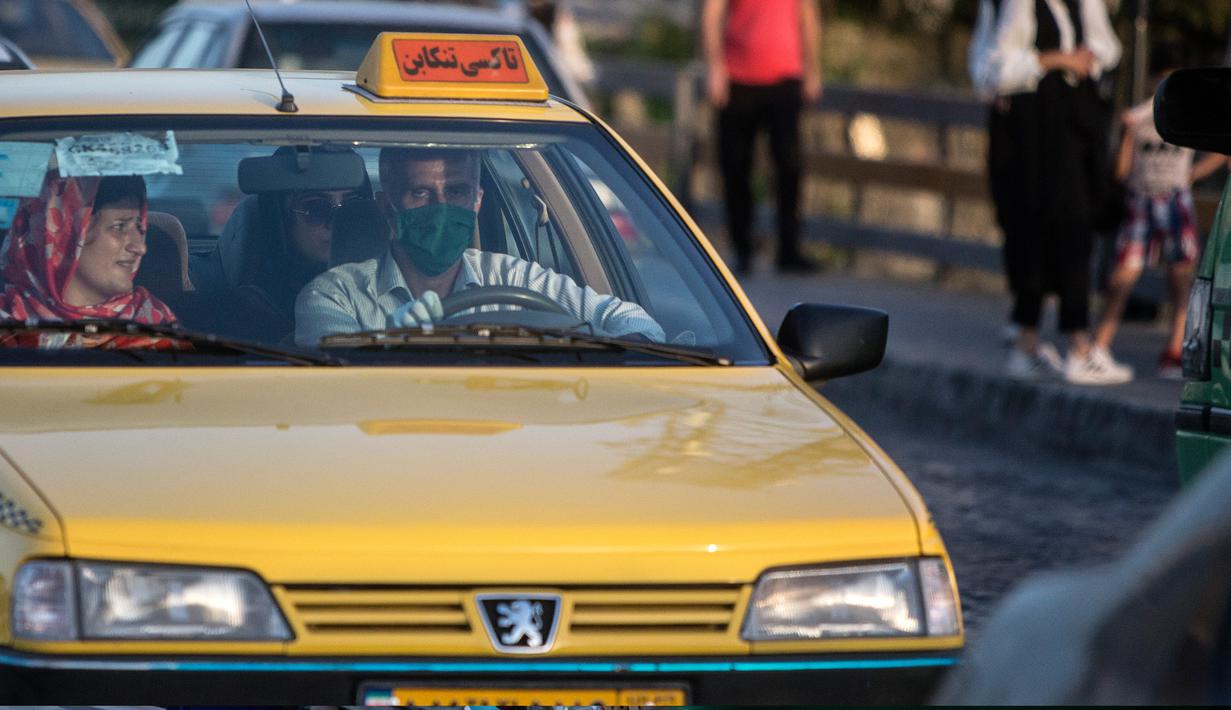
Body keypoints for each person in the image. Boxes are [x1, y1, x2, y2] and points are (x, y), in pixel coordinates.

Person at [293, 147, 665, 347]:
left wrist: (603, 349)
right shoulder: (335, 296)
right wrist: (387, 349)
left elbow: (635, 322)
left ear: (477, 201)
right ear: (387, 207)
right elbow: (337, 392)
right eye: (420, 192)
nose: (440, 207)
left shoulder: (516, 279)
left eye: (455, 191)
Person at [981, 0, 1124, 384]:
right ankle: (1073, 344)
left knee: (1073, 229)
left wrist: (1084, 60)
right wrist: (1056, 61)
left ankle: (1040, 342)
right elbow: (994, 68)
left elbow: (1107, 47)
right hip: (1033, 132)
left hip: (1075, 128)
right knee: (1040, 232)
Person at [1092, 46, 1230, 380]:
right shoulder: (1140, 120)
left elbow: (1220, 152)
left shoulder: (1185, 113)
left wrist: (1192, 174)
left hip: (1175, 198)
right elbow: (1121, 172)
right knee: (1122, 276)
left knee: (1181, 277)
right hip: (1141, 198)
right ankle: (1098, 345)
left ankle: (1174, 349)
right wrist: (1126, 133)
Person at [191, 146, 372, 338]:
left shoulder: (391, 286)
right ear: (279, 220)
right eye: (315, 208)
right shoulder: (232, 314)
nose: (336, 221)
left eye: (352, 207)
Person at [701, 0, 822, 275]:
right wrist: (715, 67)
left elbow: (808, 14)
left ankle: (788, 250)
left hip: (785, 77)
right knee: (735, 166)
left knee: (790, 166)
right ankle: (742, 248)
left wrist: (813, 69)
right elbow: (712, 13)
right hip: (738, 78)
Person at [0, 173, 178, 348]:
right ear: (62, 238)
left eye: (140, 228)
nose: (140, 247)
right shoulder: (6, 326)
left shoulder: (155, 325)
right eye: (119, 227)